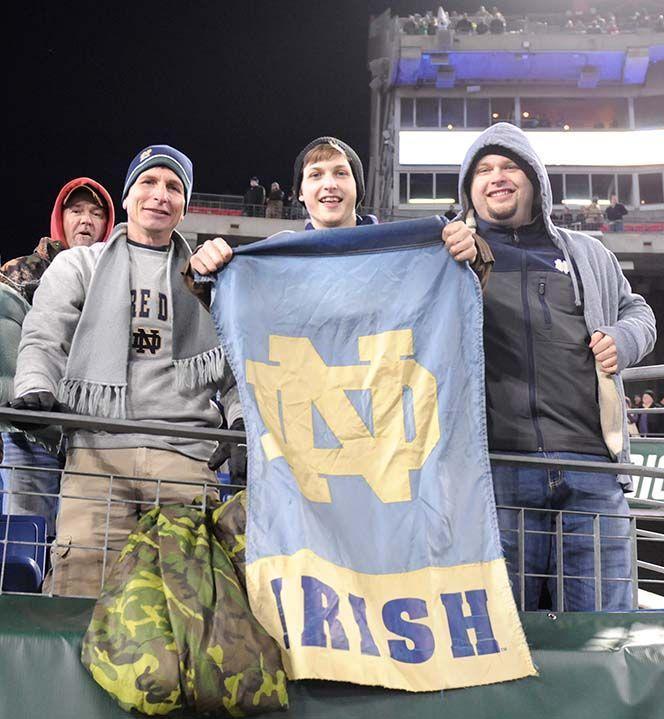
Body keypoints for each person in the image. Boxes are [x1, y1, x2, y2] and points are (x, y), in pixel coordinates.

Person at [441, 122, 656, 611]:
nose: (497, 176)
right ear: (469, 189)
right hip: (498, 472)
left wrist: (623, 339)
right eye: (484, 169)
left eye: (510, 166)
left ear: (534, 178)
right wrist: (456, 264)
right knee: (505, 639)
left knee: (604, 636)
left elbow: (638, 312)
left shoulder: (587, 252)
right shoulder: (452, 257)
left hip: (592, 471)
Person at [12, 145, 244, 598]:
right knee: (78, 596)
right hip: (98, 455)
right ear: (127, 195)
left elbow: (234, 364)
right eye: (148, 183)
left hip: (185, 459)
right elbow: (44, 336)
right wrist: (35, 387)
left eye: (174, 187)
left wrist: (240, 423)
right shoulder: (80, 263)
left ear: (185, 204)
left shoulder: (208, 275)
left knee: (190, 608)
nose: (160, 195)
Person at [188, 136, 492, 287]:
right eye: (316, 175)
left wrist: (471, 251)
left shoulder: (401, 250)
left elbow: (453, 294)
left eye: (341, 174)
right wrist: (205, 267)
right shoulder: (277, 258)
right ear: (300, 194)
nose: (329, 185)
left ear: (358, 189)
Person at [1, 178, 114, 531]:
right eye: (76, 211)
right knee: (28, 538)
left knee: (84, 544)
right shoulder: (18, 274)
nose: (86, 221)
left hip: (92, 436)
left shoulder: (117, 278)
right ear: (59, 219)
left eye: (96, 213)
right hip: (30, 432)